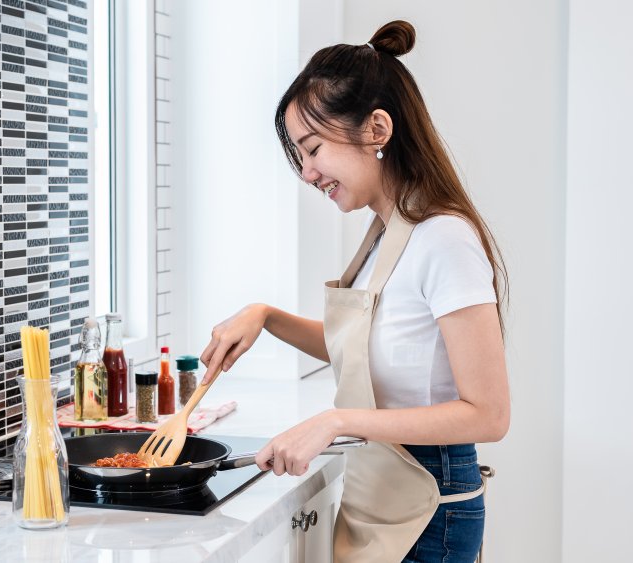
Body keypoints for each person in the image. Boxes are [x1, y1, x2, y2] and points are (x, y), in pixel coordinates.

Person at [198, 20, 510, 563]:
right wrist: (266, 315)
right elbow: (364, 347)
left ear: (377, 129)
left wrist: (336, 420)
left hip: (429, 503)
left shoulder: (443, 240)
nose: (306, 171)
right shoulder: (386, 234)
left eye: (312, 148)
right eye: (300, 156)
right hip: (387, 492)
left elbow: (489, 414)